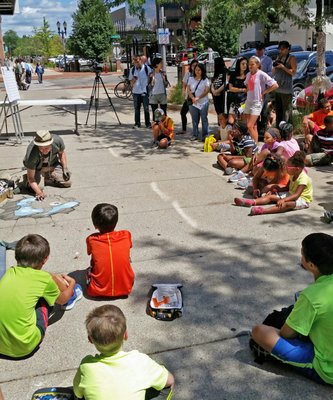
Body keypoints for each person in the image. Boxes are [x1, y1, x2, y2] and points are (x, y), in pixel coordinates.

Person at [251, 233, 333, 385]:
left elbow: (286, 333)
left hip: (328, 369)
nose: (300, 255)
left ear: (311, 265)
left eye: (302, 253)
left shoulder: (312, 296)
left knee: (259, 331)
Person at [0, 234, 82, 358]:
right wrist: (72, 283)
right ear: (45, 259)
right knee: (44, 301)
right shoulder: (44, 279)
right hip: (24, 347)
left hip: (1, 347)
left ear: (16, 256)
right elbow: (63, 299)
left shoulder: (9, 273)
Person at [73, 304, 175, 399]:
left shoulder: (86, 366)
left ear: (90, 340)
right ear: (125, 335)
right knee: (164, 386)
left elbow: (77, 393)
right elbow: (170, 381)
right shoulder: (140, 361)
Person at [234, 151, 312, 216]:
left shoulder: (303, 179)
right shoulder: (292, 175)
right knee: (271, 197)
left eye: (288, 167)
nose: (286, 168)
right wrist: (276, 190)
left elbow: (296, 195)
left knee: (285, 205)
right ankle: (251, 202)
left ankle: (263, 211)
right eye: (286, 166)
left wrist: (284, 200)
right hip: (290, 194)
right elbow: (287, 188)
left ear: (297, 169)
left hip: (302, 199)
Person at [86, 203, 135, 298]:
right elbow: (129, 247)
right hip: (126, 288)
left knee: (92, 264)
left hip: (96, 291)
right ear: (116, 222)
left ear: (95, 225)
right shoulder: (126, 235)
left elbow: (90, 253)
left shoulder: (91, 239)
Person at [22, 130, 72, 201]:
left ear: (51, 143)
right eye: (41, 148)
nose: (44, 150)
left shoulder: (57, 141)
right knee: (39, 187)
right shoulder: (31, 154)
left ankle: (46, 176)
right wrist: (39, 192)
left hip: (52, 165)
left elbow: (61, 153)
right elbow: (31, 178)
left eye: (46, 148)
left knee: (67, 182)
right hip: (36, 168)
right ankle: (26, 179)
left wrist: (65, 167)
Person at [244, 56, 278, 143]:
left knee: (249, 126)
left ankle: (254, 147)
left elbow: (275, 85)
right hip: (248, 101)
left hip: (257, 102)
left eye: (252, 64)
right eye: (249, 64)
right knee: (253, 126)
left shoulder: (261, 74)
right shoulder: (248, 74)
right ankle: (253, 144)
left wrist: (264, 92)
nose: (250, 66)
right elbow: (247, 85)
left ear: (258, 65)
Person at [273, 41, 297, 126]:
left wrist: (283, 67)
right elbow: (274, 71)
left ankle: (288, 129)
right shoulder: (278, 57)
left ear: (287, 49)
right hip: (278, 88)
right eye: (280, 49)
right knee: (279, 110)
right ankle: (279, 128)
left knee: (287, 111)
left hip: (286, 89)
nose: (281, 51)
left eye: (282, 49)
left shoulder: (291, 58)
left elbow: (293, 72)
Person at [187, 63, 210, 141]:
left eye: (199, 70)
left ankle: (205, 135)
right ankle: (195, 134)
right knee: (194, 119)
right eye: (196, 70)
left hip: (203, 102)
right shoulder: (191, 79)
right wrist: (193, 98)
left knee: (204, 119)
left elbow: (207, 91)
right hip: (193, 103)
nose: (197, 71)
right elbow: (188, 90)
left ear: (202, 71)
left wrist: (198, 97)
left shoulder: (205, 80)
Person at [129, 55, 152, 129]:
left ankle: (148, 124)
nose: (136, 63)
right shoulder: (132, 70)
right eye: (135, 62)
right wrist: (134, 79)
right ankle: (137, 124)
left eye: (137, 61)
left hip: (144, 92)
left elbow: (151, 76)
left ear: (141, 61)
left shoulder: (146, 68)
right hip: (136, 92)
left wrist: (149, 84)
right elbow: (131, 83)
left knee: (146, 108)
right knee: (136, 109)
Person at [178, 59, 199, 135]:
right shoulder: (188, 74)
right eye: (193, 65)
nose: (194, 67)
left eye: (196, 65)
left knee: (195, 115)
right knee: (183, 112)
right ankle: (184, 129)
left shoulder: (199, 74)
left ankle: (196, 131)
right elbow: (184, 83)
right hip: (189, 97)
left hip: (197, 97)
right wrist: (184, 91)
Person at [227, 57, 248, 125]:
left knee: (243, 121)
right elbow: (230, 88)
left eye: (246, 64)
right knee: (231, 121)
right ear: (239, 64)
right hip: (234, 101)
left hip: (244, 102)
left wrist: (236, 89)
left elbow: (248, 89)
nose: (245, 65)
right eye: (243, 64)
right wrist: (242, 89)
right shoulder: (233, 75)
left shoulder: (248, 75)